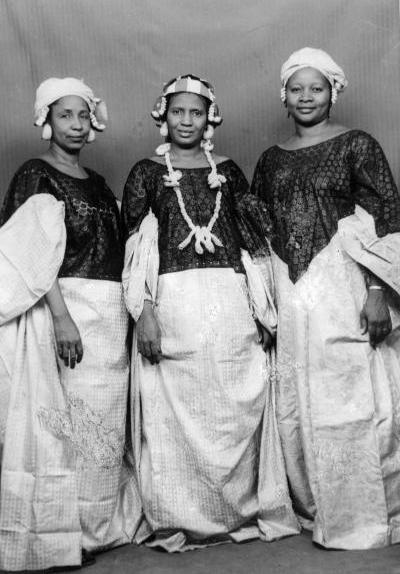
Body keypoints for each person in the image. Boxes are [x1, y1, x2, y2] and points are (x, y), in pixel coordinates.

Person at [121, 74, 299, 551]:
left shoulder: (229, 170)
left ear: (209, 118)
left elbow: (253, 242)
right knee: (175, 413)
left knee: (231, 405)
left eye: (195, 112)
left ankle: (235, 509)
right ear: (163, 115)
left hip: (229, 300)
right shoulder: (145, 173)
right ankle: (181, 513)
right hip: (173, 302)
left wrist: (262, 307)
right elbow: (138, 250)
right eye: (178, 111)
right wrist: (146, 313)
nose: (186, 120)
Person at [251, 47, 400, 549]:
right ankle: (317, 505)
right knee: (297, 398)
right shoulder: (270, 159)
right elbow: (258, 229)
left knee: (349, 394)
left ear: (332, 91)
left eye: (316, 88)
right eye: (297, 88)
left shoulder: (358, 144)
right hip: (291, 293)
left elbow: (385, 218)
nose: (307, 97)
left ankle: (361, 511)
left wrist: (377, 292)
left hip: (342, 284)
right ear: (284, 96)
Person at [0, 78, 139, 571]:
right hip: (69, 309)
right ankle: (65, 532)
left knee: (104, 423)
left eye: (83, 116)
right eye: (65, 116)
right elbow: (29, 255)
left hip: (110, 314)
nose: (76, 125)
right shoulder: (34, 174)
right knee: (70, 422)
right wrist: (61, 318)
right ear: (46, 121)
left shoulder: (98, 182)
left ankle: (101, 526)